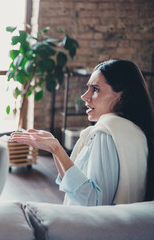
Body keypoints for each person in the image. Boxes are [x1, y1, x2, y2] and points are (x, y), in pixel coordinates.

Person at [9, 59, 154, 206]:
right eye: (88, 88)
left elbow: (94, 203)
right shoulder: (134, 129)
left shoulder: (106, 133)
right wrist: (55, 150)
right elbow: (74, 184)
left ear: (121, 95)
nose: (85, 96)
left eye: (95, 89)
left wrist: (57, 150)